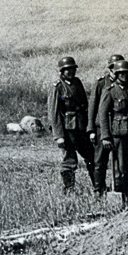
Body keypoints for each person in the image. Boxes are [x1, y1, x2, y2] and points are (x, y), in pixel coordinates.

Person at [98, 60, 128, 206]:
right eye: (121, 73)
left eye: (126, 73)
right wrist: (106, 136)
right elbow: (103, 114)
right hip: (119, 134)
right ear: (116, 74)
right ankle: (121, 194)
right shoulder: (110, 91)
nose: (124, 76)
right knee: (120, 167)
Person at [48, 56, 95, 194]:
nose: (71, 72)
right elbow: (54, 113)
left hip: (81, 128)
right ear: (62, 71)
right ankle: (69, 190)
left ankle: (98, 187)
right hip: (67, 130)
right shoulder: (57, 87)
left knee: (91, 157)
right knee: (69, 160)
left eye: (73, 69)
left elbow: (84, 105)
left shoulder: (77, 83)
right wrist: (58, 136)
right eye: (67, 70)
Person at [88, 54, 124, 195]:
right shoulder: (101, 83)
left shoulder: (124, 84)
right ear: (110, 69)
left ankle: (118, 188)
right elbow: (93, 107)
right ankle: (99, 189)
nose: (116, 72)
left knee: (119, 160)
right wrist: (91, 129)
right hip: (101, 128)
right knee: (100, 160)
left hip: (118, 128)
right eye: (114, 69)